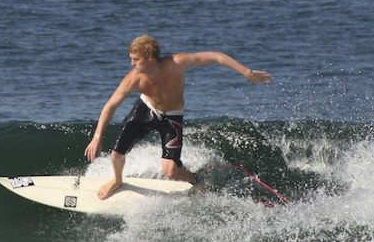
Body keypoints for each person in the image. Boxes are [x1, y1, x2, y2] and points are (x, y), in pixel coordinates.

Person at [84, 34, 272, 200]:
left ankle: (196, 180)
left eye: (135, 59)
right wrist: (97, 137)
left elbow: (216, 57)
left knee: (171, 171)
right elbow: (111, 106)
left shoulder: (177, 63)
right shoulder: (133, 79)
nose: (132, 64)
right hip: (145, 110)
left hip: (172, 117)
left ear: (150, 58)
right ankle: (117, 180)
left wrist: (247, 73)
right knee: (117, 154)